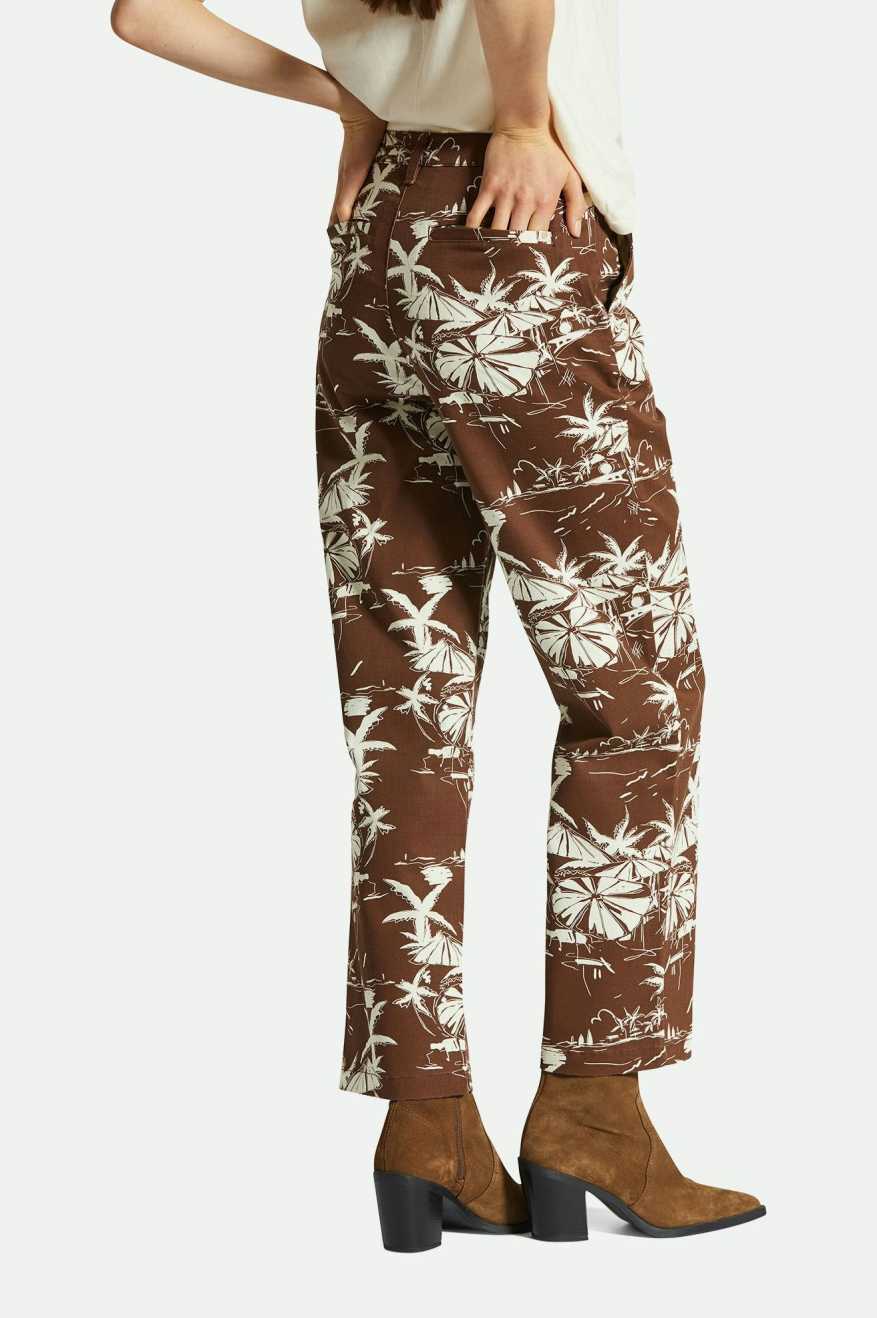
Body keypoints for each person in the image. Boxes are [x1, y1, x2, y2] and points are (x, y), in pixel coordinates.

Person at [111, 0, 765, 1251]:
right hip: (512, 237)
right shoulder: (514, 139)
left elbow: (145, 16)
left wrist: (352, 97)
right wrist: (518, 116)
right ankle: (593, 1108)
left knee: (405, 706)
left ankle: (428, 1124)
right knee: (633, 694)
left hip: (377, 244)